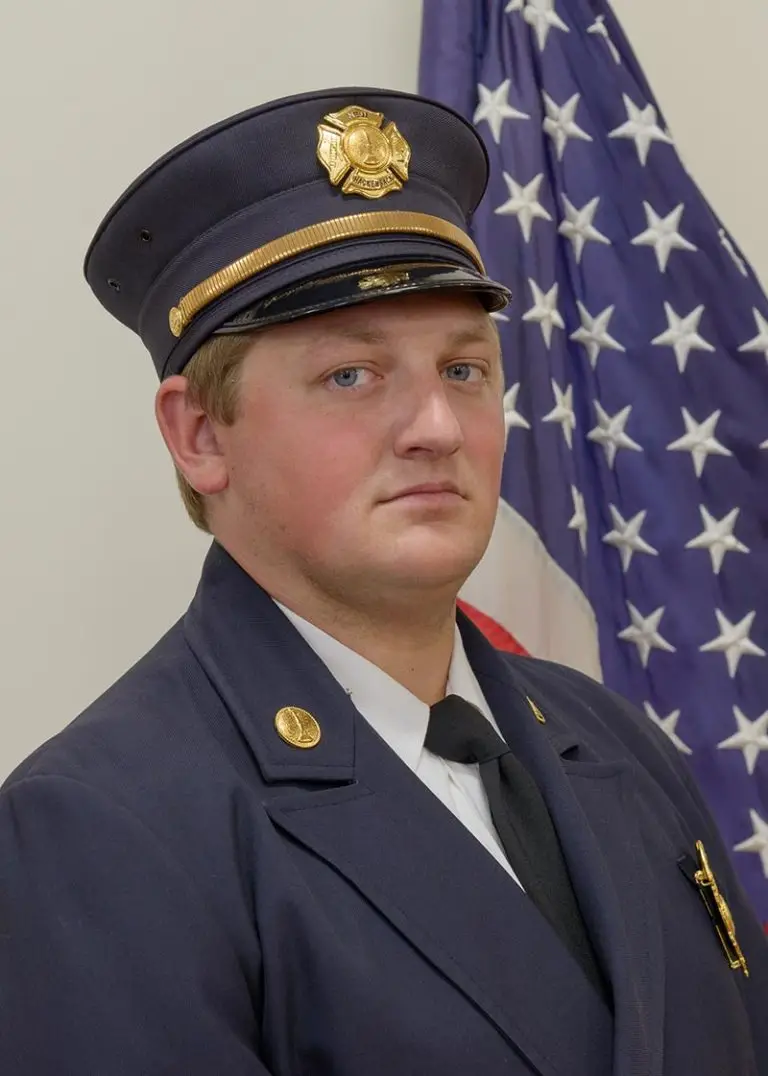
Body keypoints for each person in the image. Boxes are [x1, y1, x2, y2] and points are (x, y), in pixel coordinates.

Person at [0, 87, 766, 1076]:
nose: (436, 428)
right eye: (352, 376)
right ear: (200, 434)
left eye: (463, 370)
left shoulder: (616, 743)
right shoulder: (104, 829)